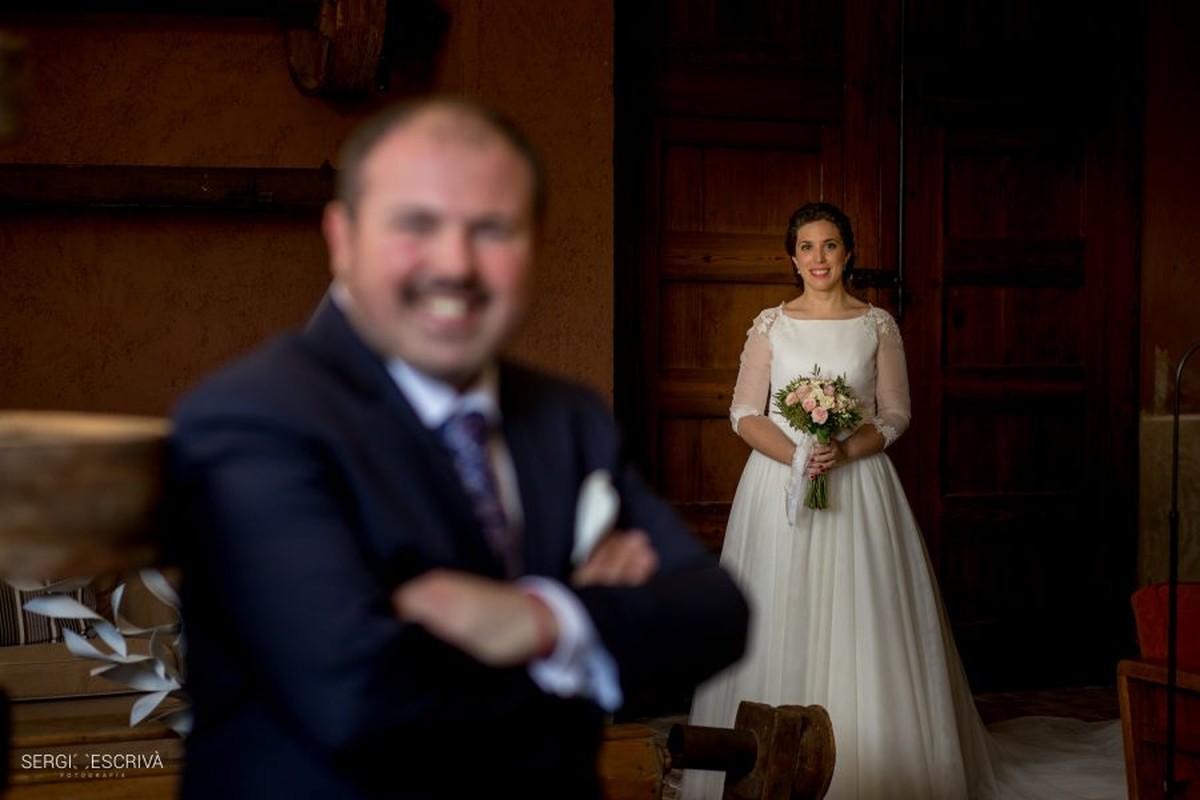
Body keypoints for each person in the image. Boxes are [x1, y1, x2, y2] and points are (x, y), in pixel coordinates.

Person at [167, 95, 749, 800]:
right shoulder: (254, 416)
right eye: (416, 223)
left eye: (492, 229)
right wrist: (585, 639)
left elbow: (718, 614)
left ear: (535, 244)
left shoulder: (568, 415)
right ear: (341, 237)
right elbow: (361, 702)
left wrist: (538, 620)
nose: (456, 264)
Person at [679, 202, 1124, 799]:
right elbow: (742, 412)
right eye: (807, 247)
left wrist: (844, 448)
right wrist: (796, 457)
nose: (819, 258)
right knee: (779, 609)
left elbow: (895, 413)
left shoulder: (877, 324)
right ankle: (766, 758)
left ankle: (868, 761)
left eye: (830, 245)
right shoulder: (770, 325)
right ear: (792, 257)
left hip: (859, 487)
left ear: (848, 253)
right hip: (777, 491)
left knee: (863, 614)